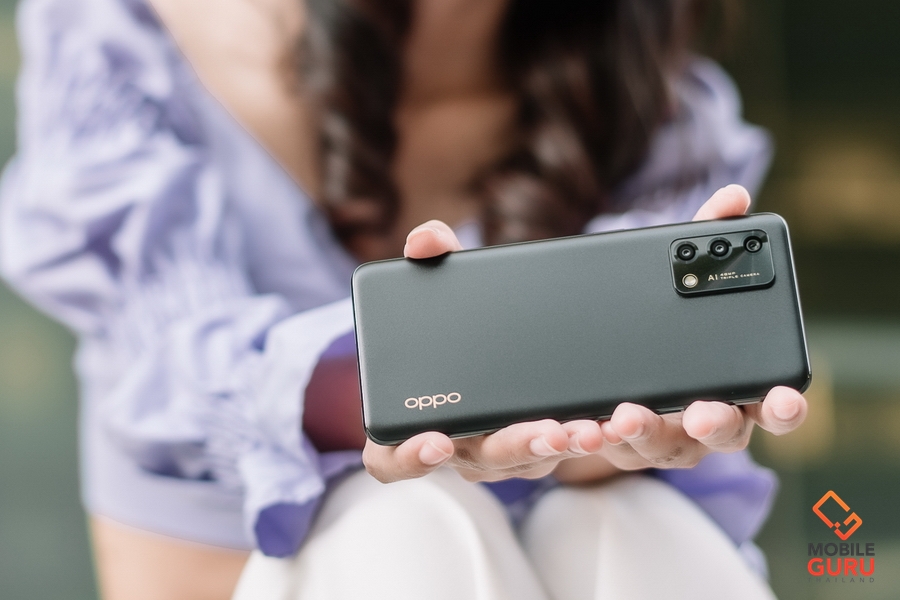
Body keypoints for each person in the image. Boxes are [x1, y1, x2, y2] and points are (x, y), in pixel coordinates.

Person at [0, 0, 807, 598]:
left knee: (630, 526)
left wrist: (613, 437)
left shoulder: (658, 102)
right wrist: (412, 396)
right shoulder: (128, 31)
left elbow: (616, 441)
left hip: (563, 558)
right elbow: (169, 360)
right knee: (414, 521)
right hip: (261, 568)